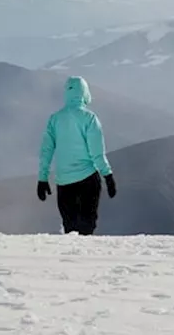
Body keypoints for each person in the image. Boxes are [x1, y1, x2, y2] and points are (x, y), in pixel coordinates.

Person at [37, 76, 117, 235]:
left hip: (64, 180)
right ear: (85, 93)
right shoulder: (90, 118)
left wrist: (43, 178)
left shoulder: (55, 119)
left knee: (70, 227)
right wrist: (107, 175)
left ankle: (71, 257)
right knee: (87, 228)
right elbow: (97, 153)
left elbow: (46, 150)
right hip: (88, 178)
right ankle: (84, 258)